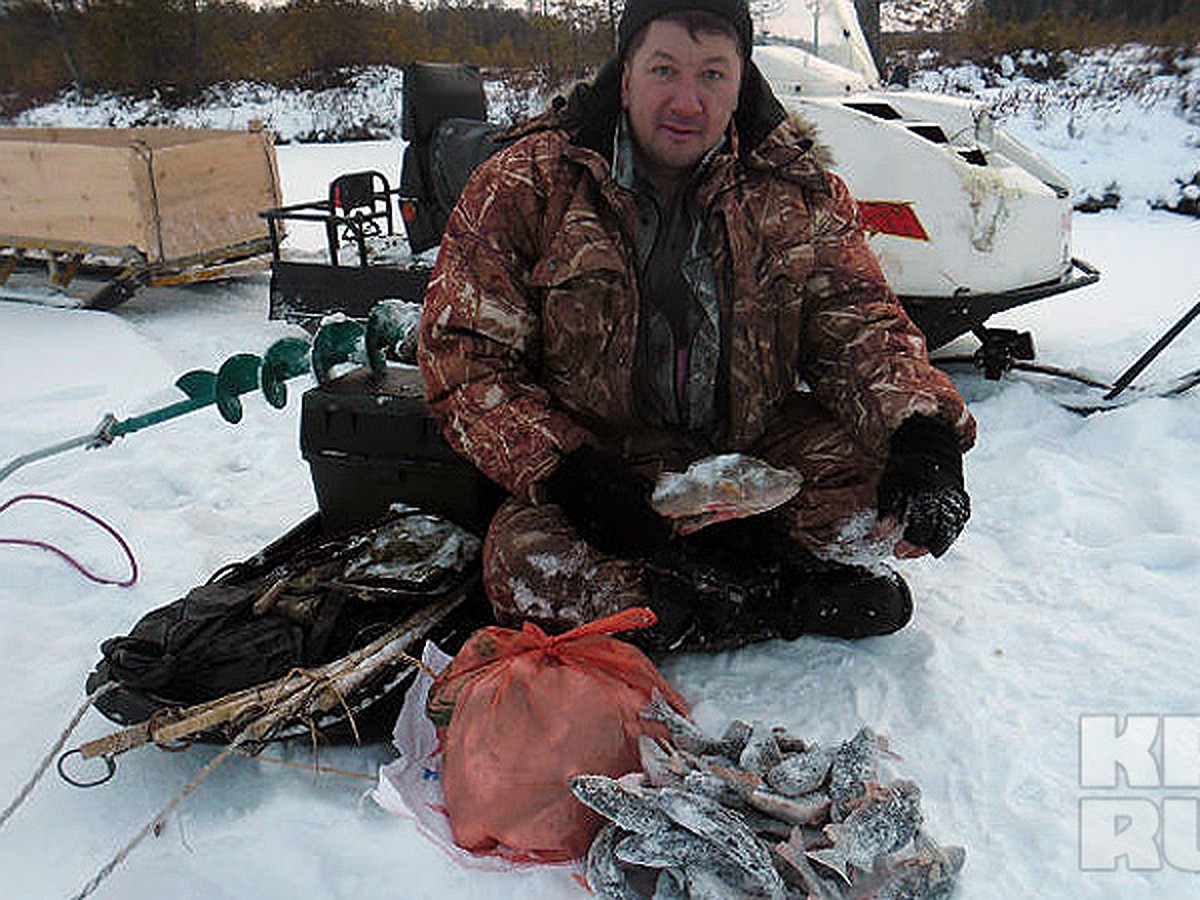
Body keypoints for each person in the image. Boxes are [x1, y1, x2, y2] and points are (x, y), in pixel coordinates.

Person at [418, 0, 976, 652]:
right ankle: (783, 593)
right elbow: (464, 358)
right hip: (606, 468)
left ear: (742, 83)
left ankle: (693, 597)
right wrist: (571, 473)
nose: (687, 100)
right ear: (625, 77)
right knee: (524, 566)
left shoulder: (799, 191)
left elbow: (859, 325)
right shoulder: (526, 184)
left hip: (757, 450)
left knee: (884, 499)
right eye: (664, 70)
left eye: (712, 74)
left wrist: (924, 435)